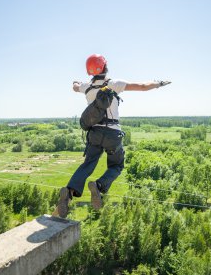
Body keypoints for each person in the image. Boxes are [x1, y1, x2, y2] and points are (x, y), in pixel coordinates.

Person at [53, 54, 171, 218]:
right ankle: (99, 186)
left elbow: (75, 86)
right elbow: (143, 86)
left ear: (90, 71)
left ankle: (69, 192)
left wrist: (76, 82)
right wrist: (159, 83)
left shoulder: (86, 87)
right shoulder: (114, 84)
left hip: (94, 133)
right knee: (116, 166)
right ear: (105, 67)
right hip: (112, 134)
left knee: (87, 165)